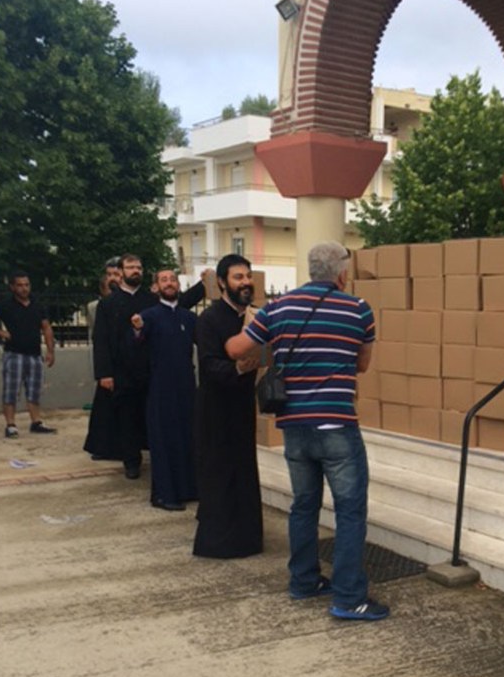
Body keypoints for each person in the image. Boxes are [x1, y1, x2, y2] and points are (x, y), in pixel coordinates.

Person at [226, 240, 389, 622]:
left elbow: (235, 348)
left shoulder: (278, 308)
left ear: (311, 269)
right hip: (336, 424)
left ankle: (304, 580)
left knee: (303, 505)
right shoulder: (359, 309)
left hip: (294, 426)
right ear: (342, 273)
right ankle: (349, 598)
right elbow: (362, 365)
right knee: (350, 511)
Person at [92, 253, 207, 479]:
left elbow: (178, 304)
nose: (135, 271)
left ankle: (159, 458)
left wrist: (203, 285)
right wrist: (104, 373)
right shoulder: (107, 304)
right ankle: (131, 462)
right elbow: (101, 340)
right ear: (121, 272)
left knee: (154, 418)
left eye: (138, 267)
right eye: (130, 267)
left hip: (151, 370)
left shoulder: (151, 300)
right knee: (128, 417)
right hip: (123, 371)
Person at [193, 254, 263, 556]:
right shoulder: (209, 319)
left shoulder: (254, 318)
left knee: (244, 471)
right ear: (222, 283)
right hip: (216, 409)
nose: (245, 282)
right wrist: (236, 368)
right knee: (220, 473)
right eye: (238, 277)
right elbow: (208, 365)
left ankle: (248, 539)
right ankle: (219, 543)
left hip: (243, 406)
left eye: (248, 276)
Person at [131, 269, 198, 511]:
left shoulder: (189, 317)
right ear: (155, 287)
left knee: (187, 436)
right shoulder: (148, 316)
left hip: (186, 386)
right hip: (160, 387)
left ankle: (188, 489)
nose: (169, 283)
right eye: (164, 280)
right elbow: (136, 340)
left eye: (173, 280)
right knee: (164, 439)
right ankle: (164, 494)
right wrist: (137, 329)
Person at [0, 271, 57, 437]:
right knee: (11, 390)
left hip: (34, 354)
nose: (24, 288)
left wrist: (50, 350)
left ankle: (36, 421)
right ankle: (11, 424)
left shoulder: (37, 305)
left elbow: (46, 328)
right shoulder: (6, 305)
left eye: (26, 285)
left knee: (34, 390)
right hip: (14, 354)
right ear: (12, 287)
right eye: (20, 285)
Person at [83, 259, 123, 461]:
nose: (113, 279)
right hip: (109, 361)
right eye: (109, 275)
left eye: (117, 274)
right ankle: (102, 446)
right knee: (105, 407)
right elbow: (99, 337)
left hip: (129, 361)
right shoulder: (95, 307)